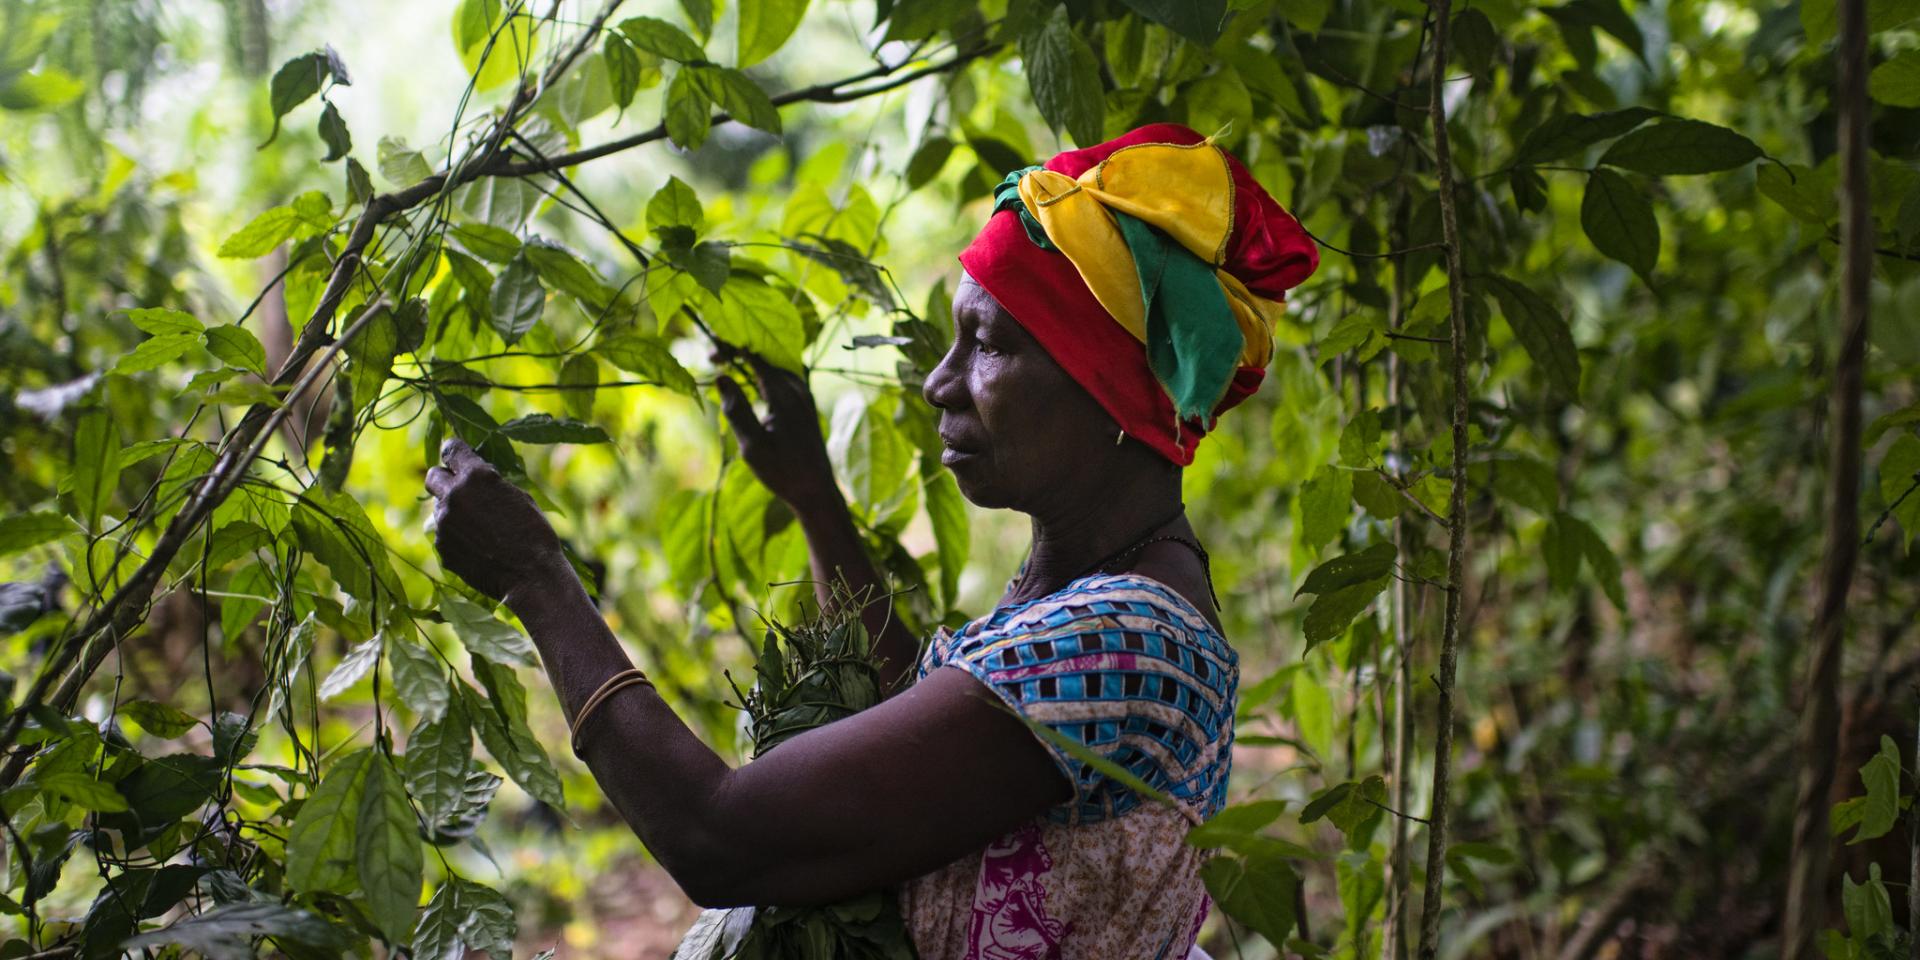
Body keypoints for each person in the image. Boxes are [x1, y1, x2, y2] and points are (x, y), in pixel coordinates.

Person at [425, 123, 1317, 959]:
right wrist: (814, 495)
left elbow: (720, 835)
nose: (940, 384)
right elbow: (925, 726)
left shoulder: (1127, 641)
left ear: (1112, 396)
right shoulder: (1099, 580)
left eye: (988, 346)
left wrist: (537, 581)